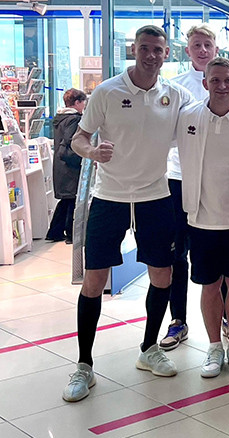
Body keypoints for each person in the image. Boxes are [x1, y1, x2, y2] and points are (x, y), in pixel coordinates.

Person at [62, 25, 194, 402]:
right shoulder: (107, 91)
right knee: (94, 280)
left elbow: (203, 118)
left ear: (167, 54)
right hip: (110, 197)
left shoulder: (176, 95)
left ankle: (149, 349)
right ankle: (84, 365)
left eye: (159, 50)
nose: (151, 55)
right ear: (133, 50)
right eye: (145, 48)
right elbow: (79, 137)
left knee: (163, 274)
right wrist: (91, 152)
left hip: (156, 196)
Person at [176, 57, 229, 378]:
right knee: (209, 285)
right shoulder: (187, 117)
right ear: (205, 83)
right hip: (202, 218)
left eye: (228, 81)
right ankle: (213, 346)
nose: (222, 86)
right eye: (216, 80)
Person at [160, 24, 219, 352]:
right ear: (188, 50)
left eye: (207, 44)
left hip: (217, 182)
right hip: (179, 179)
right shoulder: (175, 88)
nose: (202, 49)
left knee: (216, 251)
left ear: (215, 47)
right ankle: (178, 319)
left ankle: (224, 316)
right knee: (177, 254)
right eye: (196, 45)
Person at [46, 88, 87, 244]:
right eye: (83, 102)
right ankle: (71, 234)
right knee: (73, 199)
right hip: (70, 165)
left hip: (60, 165)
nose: (84, 105)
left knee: (66, 199)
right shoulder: (74, 119)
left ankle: (55, 231)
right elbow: (70, 142)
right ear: (77, 102)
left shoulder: (60, 118)